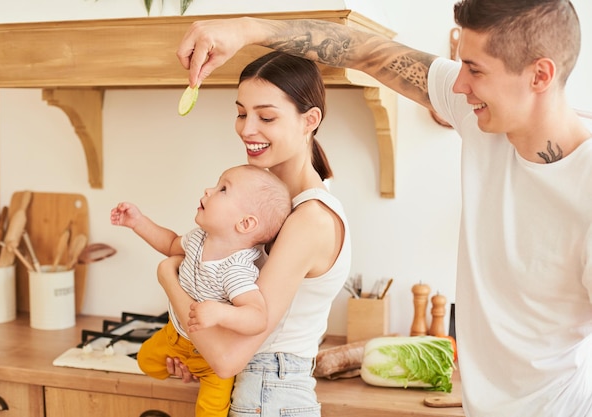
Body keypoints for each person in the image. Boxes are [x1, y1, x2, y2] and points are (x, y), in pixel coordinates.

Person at [174, 1, 592, 417]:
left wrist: (166, 276)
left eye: (476, 70)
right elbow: (367, 52)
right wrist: (246, 29)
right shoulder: (478, 117)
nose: (459, 84)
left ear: (540, 75)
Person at [158, 50, 351, 417]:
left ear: (309, 120)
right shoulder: (276, 204)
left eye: (266, 116)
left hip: (268, 395)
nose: (247, 129)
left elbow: (229, 358)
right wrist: (193, 350)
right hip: (259, 391)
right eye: (242, 113)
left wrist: (168, 277)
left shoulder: (309, 219)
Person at [110, 164, 292, 417]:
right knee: (146, 362)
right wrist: (138, 222)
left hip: (211, 360)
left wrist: (219, 313)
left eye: (223, 189)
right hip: (176, 334)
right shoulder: (199, 238)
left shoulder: (236, 269)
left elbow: (257, 317)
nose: (208, 190)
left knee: (210, 412)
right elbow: (171, 243)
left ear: (246, 223)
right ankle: (183, 365)